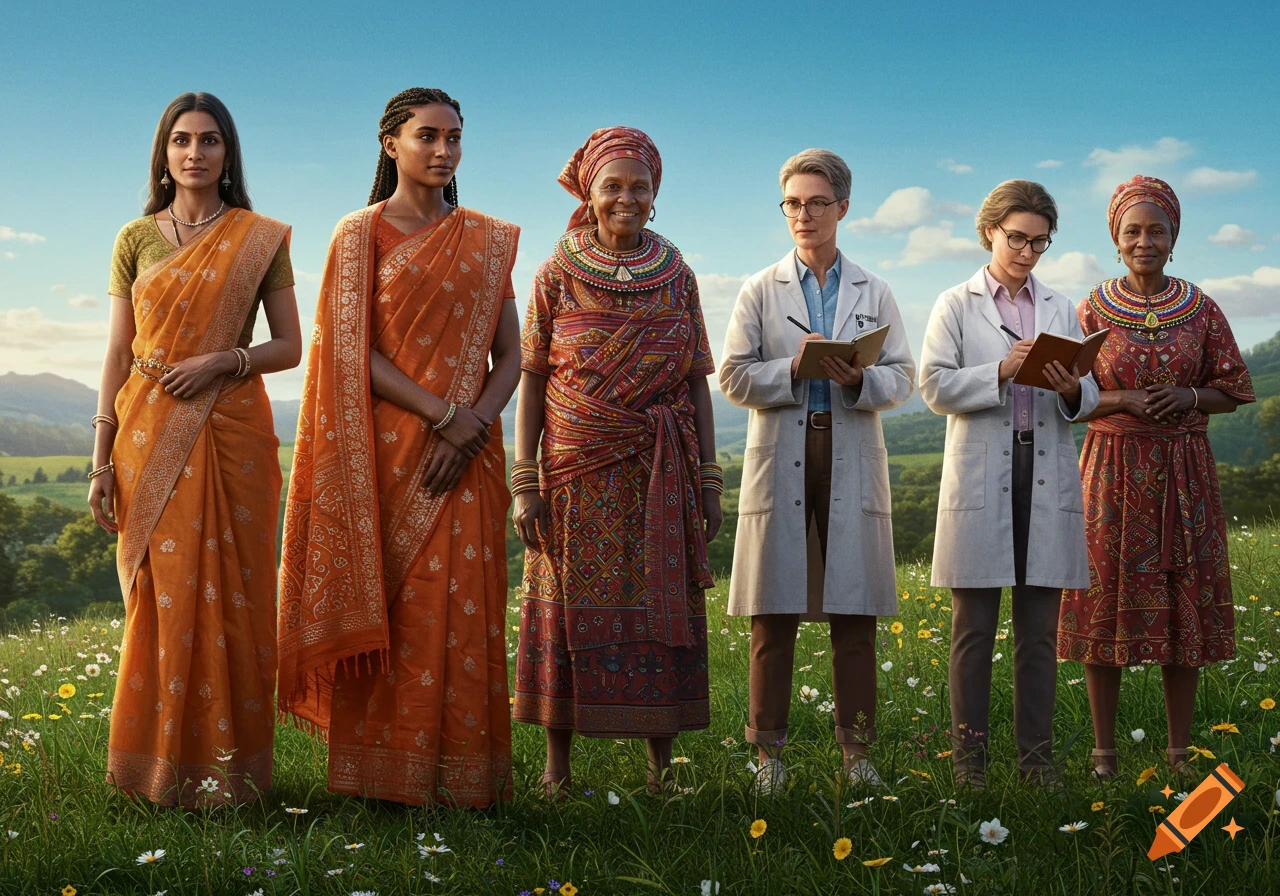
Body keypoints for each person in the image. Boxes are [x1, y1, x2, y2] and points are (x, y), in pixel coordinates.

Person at [276, 88, 521, 807]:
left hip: (467, 454)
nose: (443, 150)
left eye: (454, 138)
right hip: (383, 453)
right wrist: (445, 412)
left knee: (461, 610)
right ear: (391, 144)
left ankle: (463, 782)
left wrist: (472, 422)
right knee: (396, 609)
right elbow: (348, 347)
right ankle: (378, 782)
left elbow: (512, 352)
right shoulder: (360, 233)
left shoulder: (488, 236)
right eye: (427, 136)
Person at [89, 92, 301, 807]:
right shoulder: (134, 238)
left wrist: (222, 362)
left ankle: (230, 776)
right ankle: (151, 770)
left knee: (236, 594)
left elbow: (289, 345)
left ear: (227, 154)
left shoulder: (259, 237)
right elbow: (119, 351)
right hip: (146, 431)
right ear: (164, 152)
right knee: (158, 596)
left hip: (232, 429)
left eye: (209, 141)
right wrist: (99, 456)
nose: (195, 153)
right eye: (181, 140)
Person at [511, 126, 721, 796]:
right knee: (564, 608)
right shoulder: (555, 275)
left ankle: (662, 772)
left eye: (640, 187)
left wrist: (709, 481)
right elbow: (534, 378)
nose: (626, 198)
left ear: (655, 196)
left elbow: (695, 381)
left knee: (662, 611)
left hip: (660, 471)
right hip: (575, 473)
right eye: (613, 186)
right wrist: (525, 482)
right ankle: (556, 770)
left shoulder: (677, 278)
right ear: (589, 192)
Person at [720, 149, 915, 793]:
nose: (803, 215)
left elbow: (904, 377)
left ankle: (857, 757)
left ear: (843, 209)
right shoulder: (759, 289)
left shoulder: (874, 289)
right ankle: (768, 758)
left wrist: (861, 376)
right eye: (792, 204)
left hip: (849, 449)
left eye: (816, 203)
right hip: (783, 452)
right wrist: (792, 370)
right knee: (772, 612)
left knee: (852, 612)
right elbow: (733, 376)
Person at [1058, 175, 1254, 778]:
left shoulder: (1201, 307)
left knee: (1180, 601)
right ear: (1115, 238)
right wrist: (1125, 401)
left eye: (1157, 231)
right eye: (1132, 231)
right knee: (1101, 603)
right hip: (1110, 473)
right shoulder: (1087, 309)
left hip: (1183, 473)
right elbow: (1069, 394)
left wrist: (1189, 393)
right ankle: (1103, 753)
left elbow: (1234, 390)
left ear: (1174, 238)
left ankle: (1177, 752)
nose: (1145, 241)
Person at [918, 179, 1099, 790]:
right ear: (990, 231)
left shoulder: (1060, 306)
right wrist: (1001, 369)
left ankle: (1036, 768)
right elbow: (934, 387)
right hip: (982, 472)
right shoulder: (954, 304)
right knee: (972, 632)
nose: (1026, 251)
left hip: (1043, 473)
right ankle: (970, 771)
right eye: (1016, 238)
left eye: (1039, 242)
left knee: (1039, 636)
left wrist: (1075, 388)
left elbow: (1088, 390)